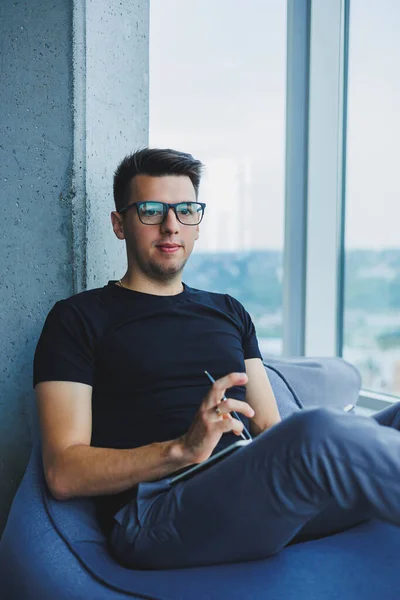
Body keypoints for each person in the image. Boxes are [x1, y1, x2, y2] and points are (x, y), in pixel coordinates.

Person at [34, 148, 400, 571]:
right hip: (160, 511)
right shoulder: (78, 317)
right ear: (120, 224)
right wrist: (182, 449)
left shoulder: (227, 310)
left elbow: (268, 427)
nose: (171, 225)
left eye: (185, 210)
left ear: (197, 223)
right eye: (151, 211)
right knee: (316, 432)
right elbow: (62, 472)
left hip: (251, 495)